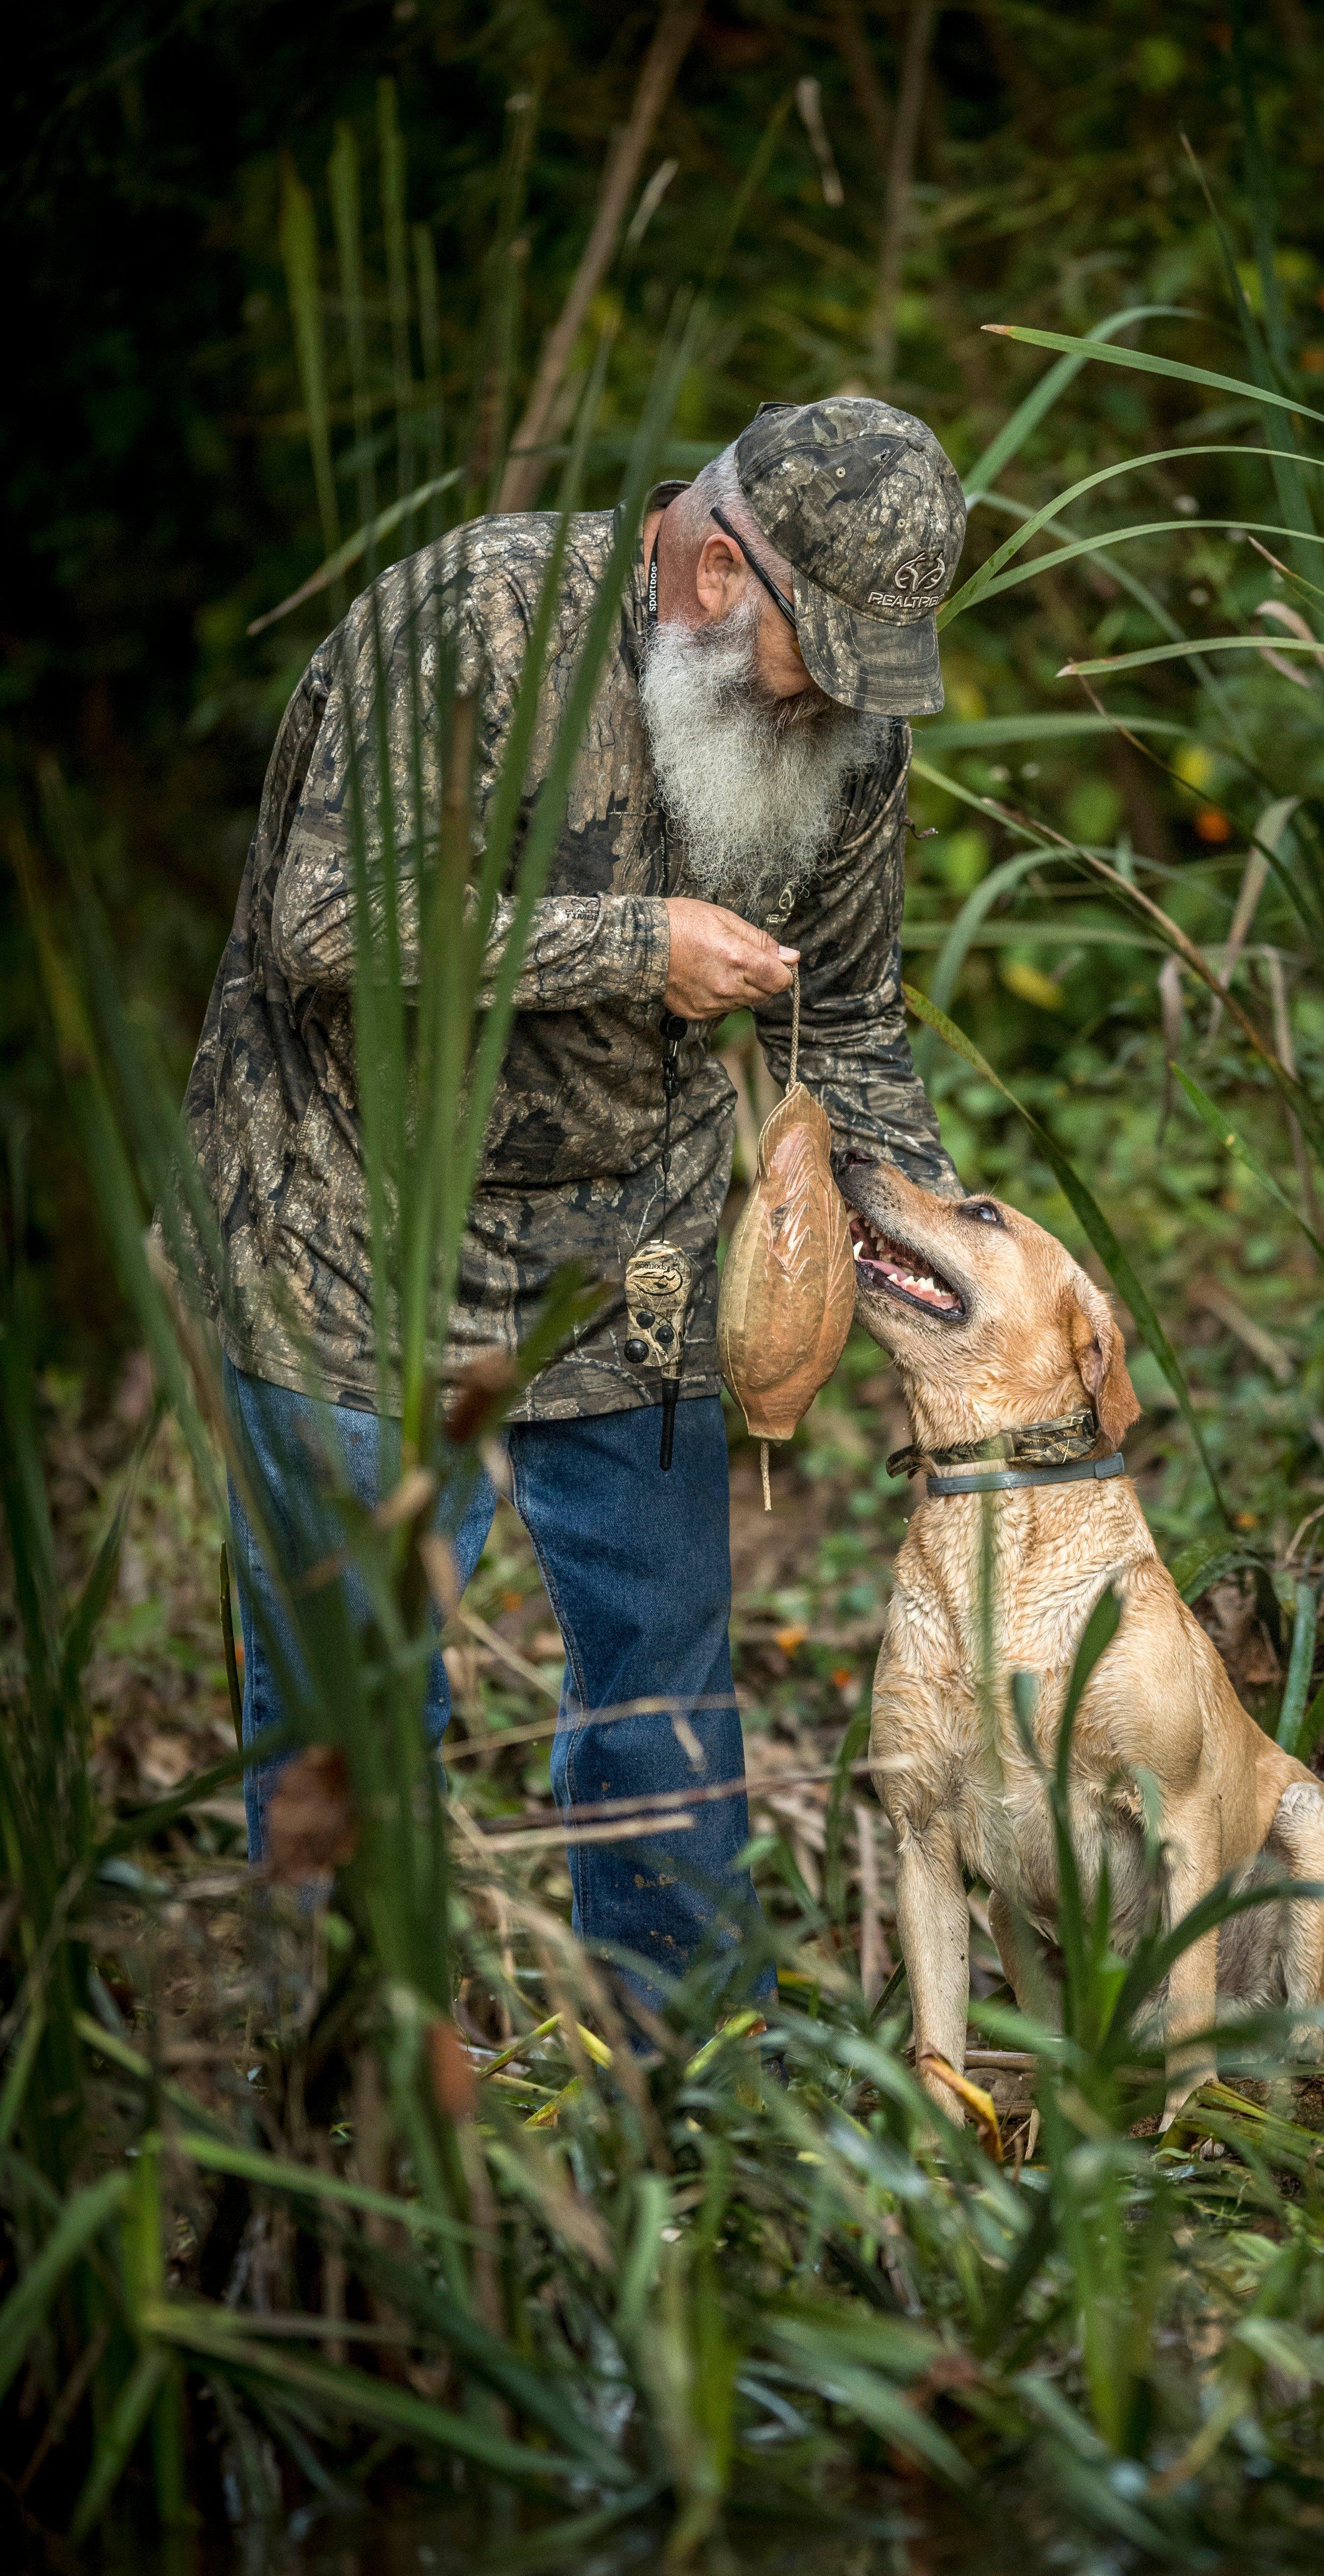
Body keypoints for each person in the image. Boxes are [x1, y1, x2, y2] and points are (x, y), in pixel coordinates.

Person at [179, 397, 967, 1994]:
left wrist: (938, 1254)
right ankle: (341, 2110)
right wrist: (635, 943)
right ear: (719, 573)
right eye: (822, 666)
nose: (837, 717)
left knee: (665, 1688)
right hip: (352, 1228)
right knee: (354, 1695)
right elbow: (318, 922)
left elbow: (855, 1016)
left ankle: (687, 2107)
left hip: (634, 1241)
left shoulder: (846, 733)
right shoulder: (471, 622)